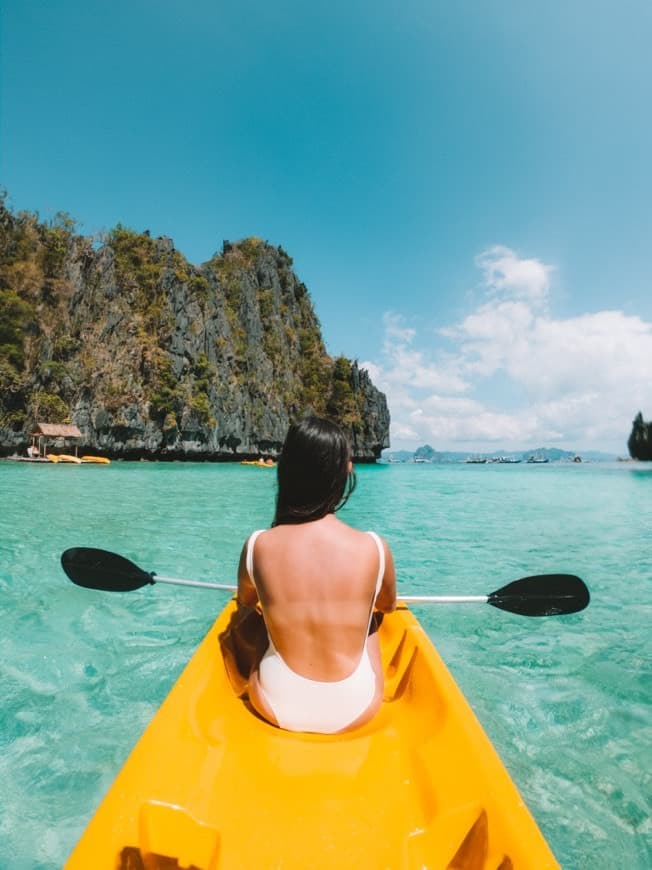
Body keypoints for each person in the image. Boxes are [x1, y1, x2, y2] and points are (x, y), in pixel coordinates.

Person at [237, 415, 396, 734]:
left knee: (251, 620)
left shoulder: (258, 544)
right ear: (344, 471)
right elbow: (387, 607)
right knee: (373, 622)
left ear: (287, 472)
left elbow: (245, 601)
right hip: (357, 705)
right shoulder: (374, 548)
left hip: (273, 702)